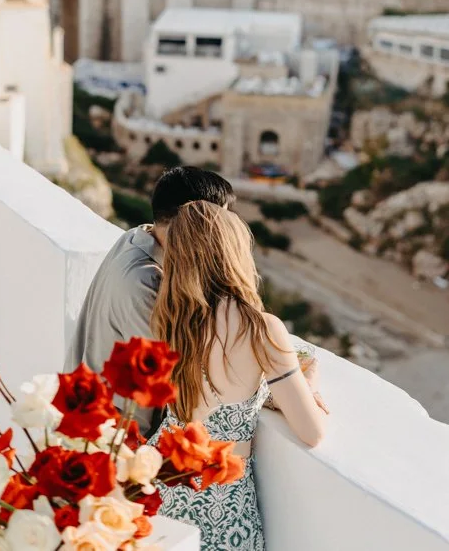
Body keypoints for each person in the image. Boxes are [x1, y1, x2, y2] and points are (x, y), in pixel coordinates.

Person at [149, 200, 328, 551]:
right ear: (233, 252)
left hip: (164, 484)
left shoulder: (167, 319)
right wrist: (308, 386)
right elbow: (312, 433)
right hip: (223, 500)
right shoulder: (261, 329)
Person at [65, 166, 236, 433]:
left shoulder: (137, 236)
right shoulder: (145, 282)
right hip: (118, 439)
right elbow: (168, 375)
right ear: (196, 219)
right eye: (222, 223)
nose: (225, 234)